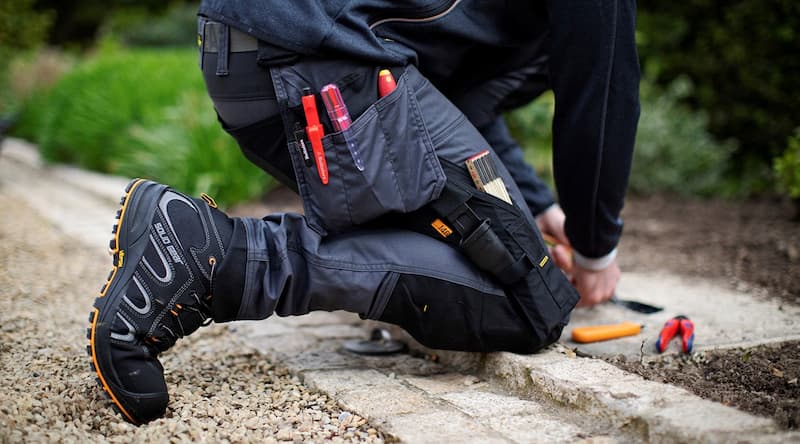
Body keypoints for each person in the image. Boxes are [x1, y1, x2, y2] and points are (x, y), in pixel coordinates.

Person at [87, 0, 640, 424]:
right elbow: (601, 93)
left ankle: (214, 255)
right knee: (531, 301)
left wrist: (535, 207)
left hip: (250, 56)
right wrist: (595, 250)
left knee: (472, 248)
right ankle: (217, 258)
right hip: (320, 62)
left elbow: (462, 103)